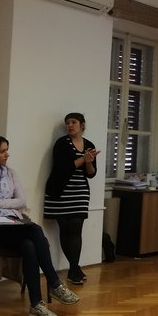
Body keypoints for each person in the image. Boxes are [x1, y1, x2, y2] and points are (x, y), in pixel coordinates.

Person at [0, 135, 80, 316]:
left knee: (29, 246)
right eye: (2, 151)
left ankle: (36, 305)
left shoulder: (10, 173)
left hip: (13, 226)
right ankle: (54, 283)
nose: (7, 155)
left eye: (7, 150)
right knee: (35, 230)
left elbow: (20, 201)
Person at [44, 112, 99, 285]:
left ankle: (73, 269)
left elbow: (91, 173)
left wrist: (88, 161)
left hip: (80, 191)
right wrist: (83, 159)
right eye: (67, 123)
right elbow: (62, 168)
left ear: (82, 124)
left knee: (76, 229)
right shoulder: (61, 143)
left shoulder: (89, 145)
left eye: (73, 122)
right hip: (60, 191)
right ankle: (75, 269)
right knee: (65, 229)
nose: (70, 125)